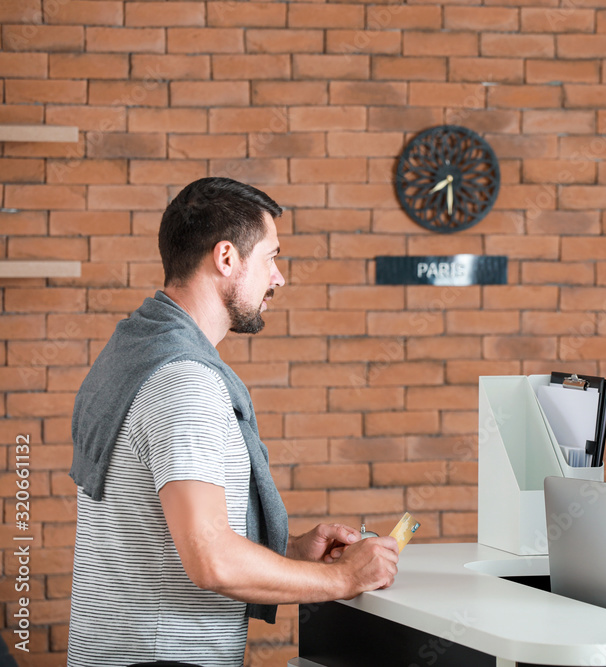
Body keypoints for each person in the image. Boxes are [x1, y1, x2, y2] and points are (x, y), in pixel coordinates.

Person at [68, 178, 399, 666]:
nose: (279, 277)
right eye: (271, 257)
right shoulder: (183, 380)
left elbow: (174, 530)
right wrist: (343, 579)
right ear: (226, 258)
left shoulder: (135, 349)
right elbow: (212, 559)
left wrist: (290, 551)